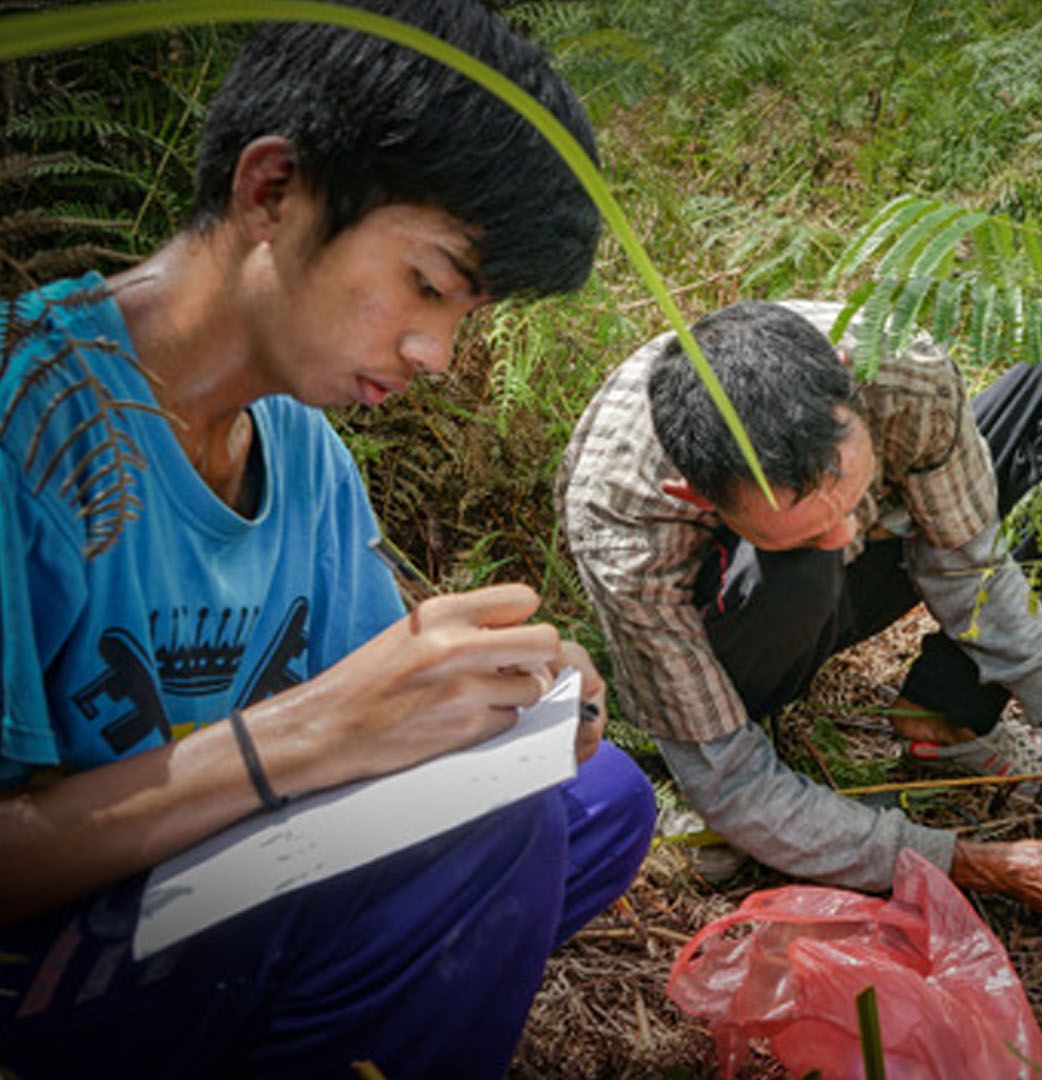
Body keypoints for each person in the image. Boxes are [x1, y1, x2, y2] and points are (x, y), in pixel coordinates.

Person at [0, 3, 656, 1077]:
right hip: (50, 955)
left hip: (212, 880)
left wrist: (501, 694)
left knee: (603, 800)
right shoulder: (29, 420)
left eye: (463, 313)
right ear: (273, 190)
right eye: (429, 284)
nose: (436, 350)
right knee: (491, 845)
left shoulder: (304, 454)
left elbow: (363, 696)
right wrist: (302, 739)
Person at [559, 298, 1042, 928]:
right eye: (810, 527)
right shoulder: (624, 521)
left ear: (849, 382)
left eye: (852, 497)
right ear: (697, 496)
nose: (848, 540)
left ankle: (949, 718)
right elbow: (737, 785)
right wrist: (982, 864)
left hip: (816, 535)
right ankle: (688, 761)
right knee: (804, 573)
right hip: (748, 615)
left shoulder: (900, 373)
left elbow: (966, 559)